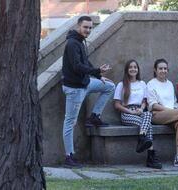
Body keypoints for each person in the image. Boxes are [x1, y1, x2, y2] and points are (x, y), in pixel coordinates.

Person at [61, 16, 115, 168]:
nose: (88, 30)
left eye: (90, 28)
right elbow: (77, 66)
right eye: (86, 27)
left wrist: (98, 75)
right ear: (79, 26)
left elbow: (85, 62)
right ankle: (69, 156)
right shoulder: (72, 43)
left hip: (85, 83)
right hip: (75, 88)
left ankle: (94, 116)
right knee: (70, 122)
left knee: (110, 86)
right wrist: (96, 70)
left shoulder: (79, 41)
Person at [113, 60, 162, 169]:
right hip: (127, 112)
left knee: (148, 114)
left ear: (138, 69)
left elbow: (145, 101)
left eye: (135, 67)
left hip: (139, 111)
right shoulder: (121, 85)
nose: (133, 69)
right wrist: (130, 111)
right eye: (130, 67)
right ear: (127, 70)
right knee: (148, 125)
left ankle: (142, 138)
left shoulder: (142, 84)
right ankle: (151, 156)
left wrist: (141, 108)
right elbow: (117, 105)